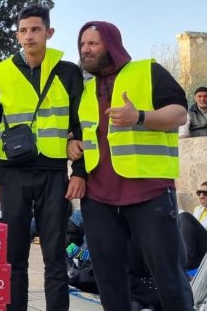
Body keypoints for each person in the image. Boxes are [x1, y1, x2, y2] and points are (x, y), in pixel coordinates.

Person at [69, 20, 193, 311]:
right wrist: (70, 144)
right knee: (108, 279)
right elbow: (82, 133)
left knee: (168, 276)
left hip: (148, 192)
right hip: (98, 198)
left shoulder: (147, 71)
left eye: (93, 43)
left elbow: (179, 114)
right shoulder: (86, 90)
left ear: (111, 45)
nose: (85, 50)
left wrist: (139, 116)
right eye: (82, 44)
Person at [0, 5, 84, 311]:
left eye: (36, 30)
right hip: (14, 173)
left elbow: (81, 124)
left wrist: (79, 170)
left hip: (54, 173)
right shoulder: (1, 72)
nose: (29, 36)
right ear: (17, 34)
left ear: (49, 33)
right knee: (14, 255)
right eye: (23, 31)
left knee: (55, 256)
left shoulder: (68, 71)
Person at [179, 181, 207, 270]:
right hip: (196, 247)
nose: (201, 196)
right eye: (199, 193)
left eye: (206, 193)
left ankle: (189, 259)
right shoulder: (198, 209)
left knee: (185, 216)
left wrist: (195, 232)